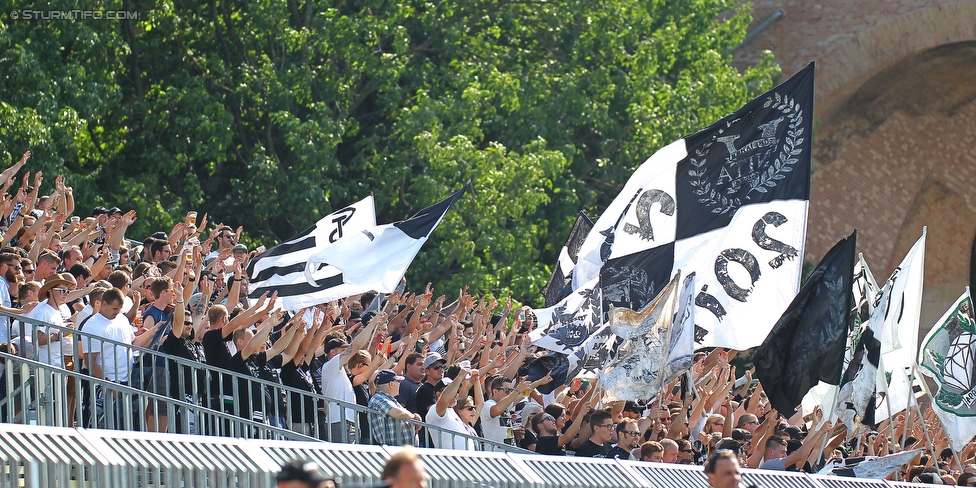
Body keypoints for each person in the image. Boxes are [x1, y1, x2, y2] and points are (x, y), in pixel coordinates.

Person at [368, 369, 420, 447]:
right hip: (392, 450)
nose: (400, 384)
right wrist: (413, 417)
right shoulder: (378, 398)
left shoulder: (390, 399)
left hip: (400, 450)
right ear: (391, 384)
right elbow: (398, 413)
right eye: (398, 382)